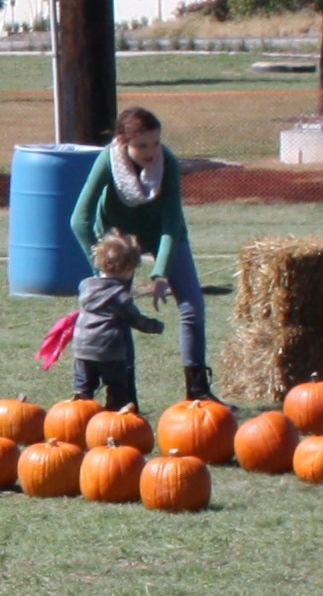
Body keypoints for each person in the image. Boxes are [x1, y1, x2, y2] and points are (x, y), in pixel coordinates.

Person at [67, 105, 213, 404]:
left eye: (156, 142)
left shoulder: (167, 162)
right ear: (123, 142)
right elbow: (79, 219)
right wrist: (103, 261)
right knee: (117, 312)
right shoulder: (107, 161)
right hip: (118, 242)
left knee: (192, 305)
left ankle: (198, 390)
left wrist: (160, 272)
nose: (151, 151)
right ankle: (125, 397)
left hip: (162, 235)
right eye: (142, 145)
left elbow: (172, 222)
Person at [69, 229, 164, 411]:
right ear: (128, 269)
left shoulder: (86, 285)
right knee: (117, 388)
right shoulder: (120, 295)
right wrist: (155, 326)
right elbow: (134, 319)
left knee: (83, 386)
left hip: (82, 348)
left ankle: (79, 415)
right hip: (109, 350)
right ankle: (115, 415)